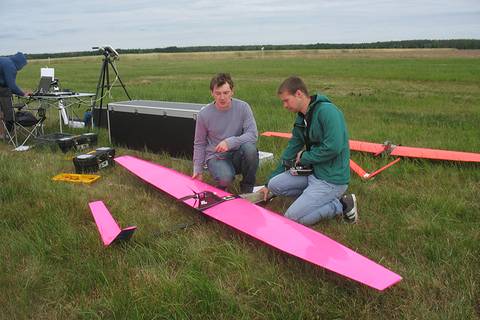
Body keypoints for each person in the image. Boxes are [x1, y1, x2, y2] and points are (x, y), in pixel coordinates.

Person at [259, 76, 358, 225]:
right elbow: (290, 150)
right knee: (274, 185)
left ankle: (340, 205)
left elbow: (334, 147)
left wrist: (306, 157)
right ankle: (313, 199)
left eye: (286, 100)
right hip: (313, 173)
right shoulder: (302, 118)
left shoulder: (328, 112)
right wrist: (267, 184)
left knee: (293, 219)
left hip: (331, 180)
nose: (284, 106)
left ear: (299, 94)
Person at [192, 73, 259, 193]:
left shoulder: (243, 107)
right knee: (225, 178)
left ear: (232, 91)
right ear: (211, 93)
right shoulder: (204, 114)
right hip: (216, 156)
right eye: (218, 93)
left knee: (250, 149)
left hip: (238, 153)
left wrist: (230, 142)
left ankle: (247, 188)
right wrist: (198, 169)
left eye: (226, 93)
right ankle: (223, 184)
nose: (222, 97)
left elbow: (253, 134)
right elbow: (199, 143)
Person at [0, 52, 29, 137]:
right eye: (22, 65)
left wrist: (19, 91)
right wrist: (23, 94)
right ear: (19, 63)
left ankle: (1, 134)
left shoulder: (5, 60)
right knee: (8, 111)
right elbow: (11, 86)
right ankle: (10, 132)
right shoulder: (10, 66)